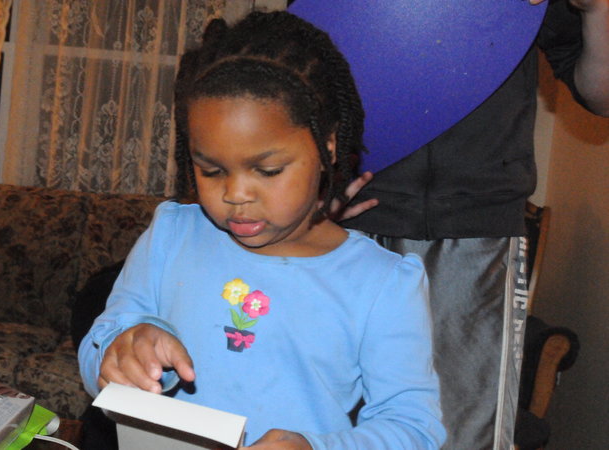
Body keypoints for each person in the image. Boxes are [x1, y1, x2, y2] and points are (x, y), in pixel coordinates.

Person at [79, 11, 446, 449]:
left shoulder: (382, 283)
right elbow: (99, 349)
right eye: (211, 170)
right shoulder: (172, 235)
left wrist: (315, 447)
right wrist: (121, 351)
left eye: (268, 170)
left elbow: (413, 429)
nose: (235, 194)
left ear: (327, 145)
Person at [341, 0, 609, 448]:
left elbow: (600, 94)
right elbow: (306, 72)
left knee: (462, 434)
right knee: (340, 425)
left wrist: (597, 10)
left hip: (478, 237)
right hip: (352, 226)